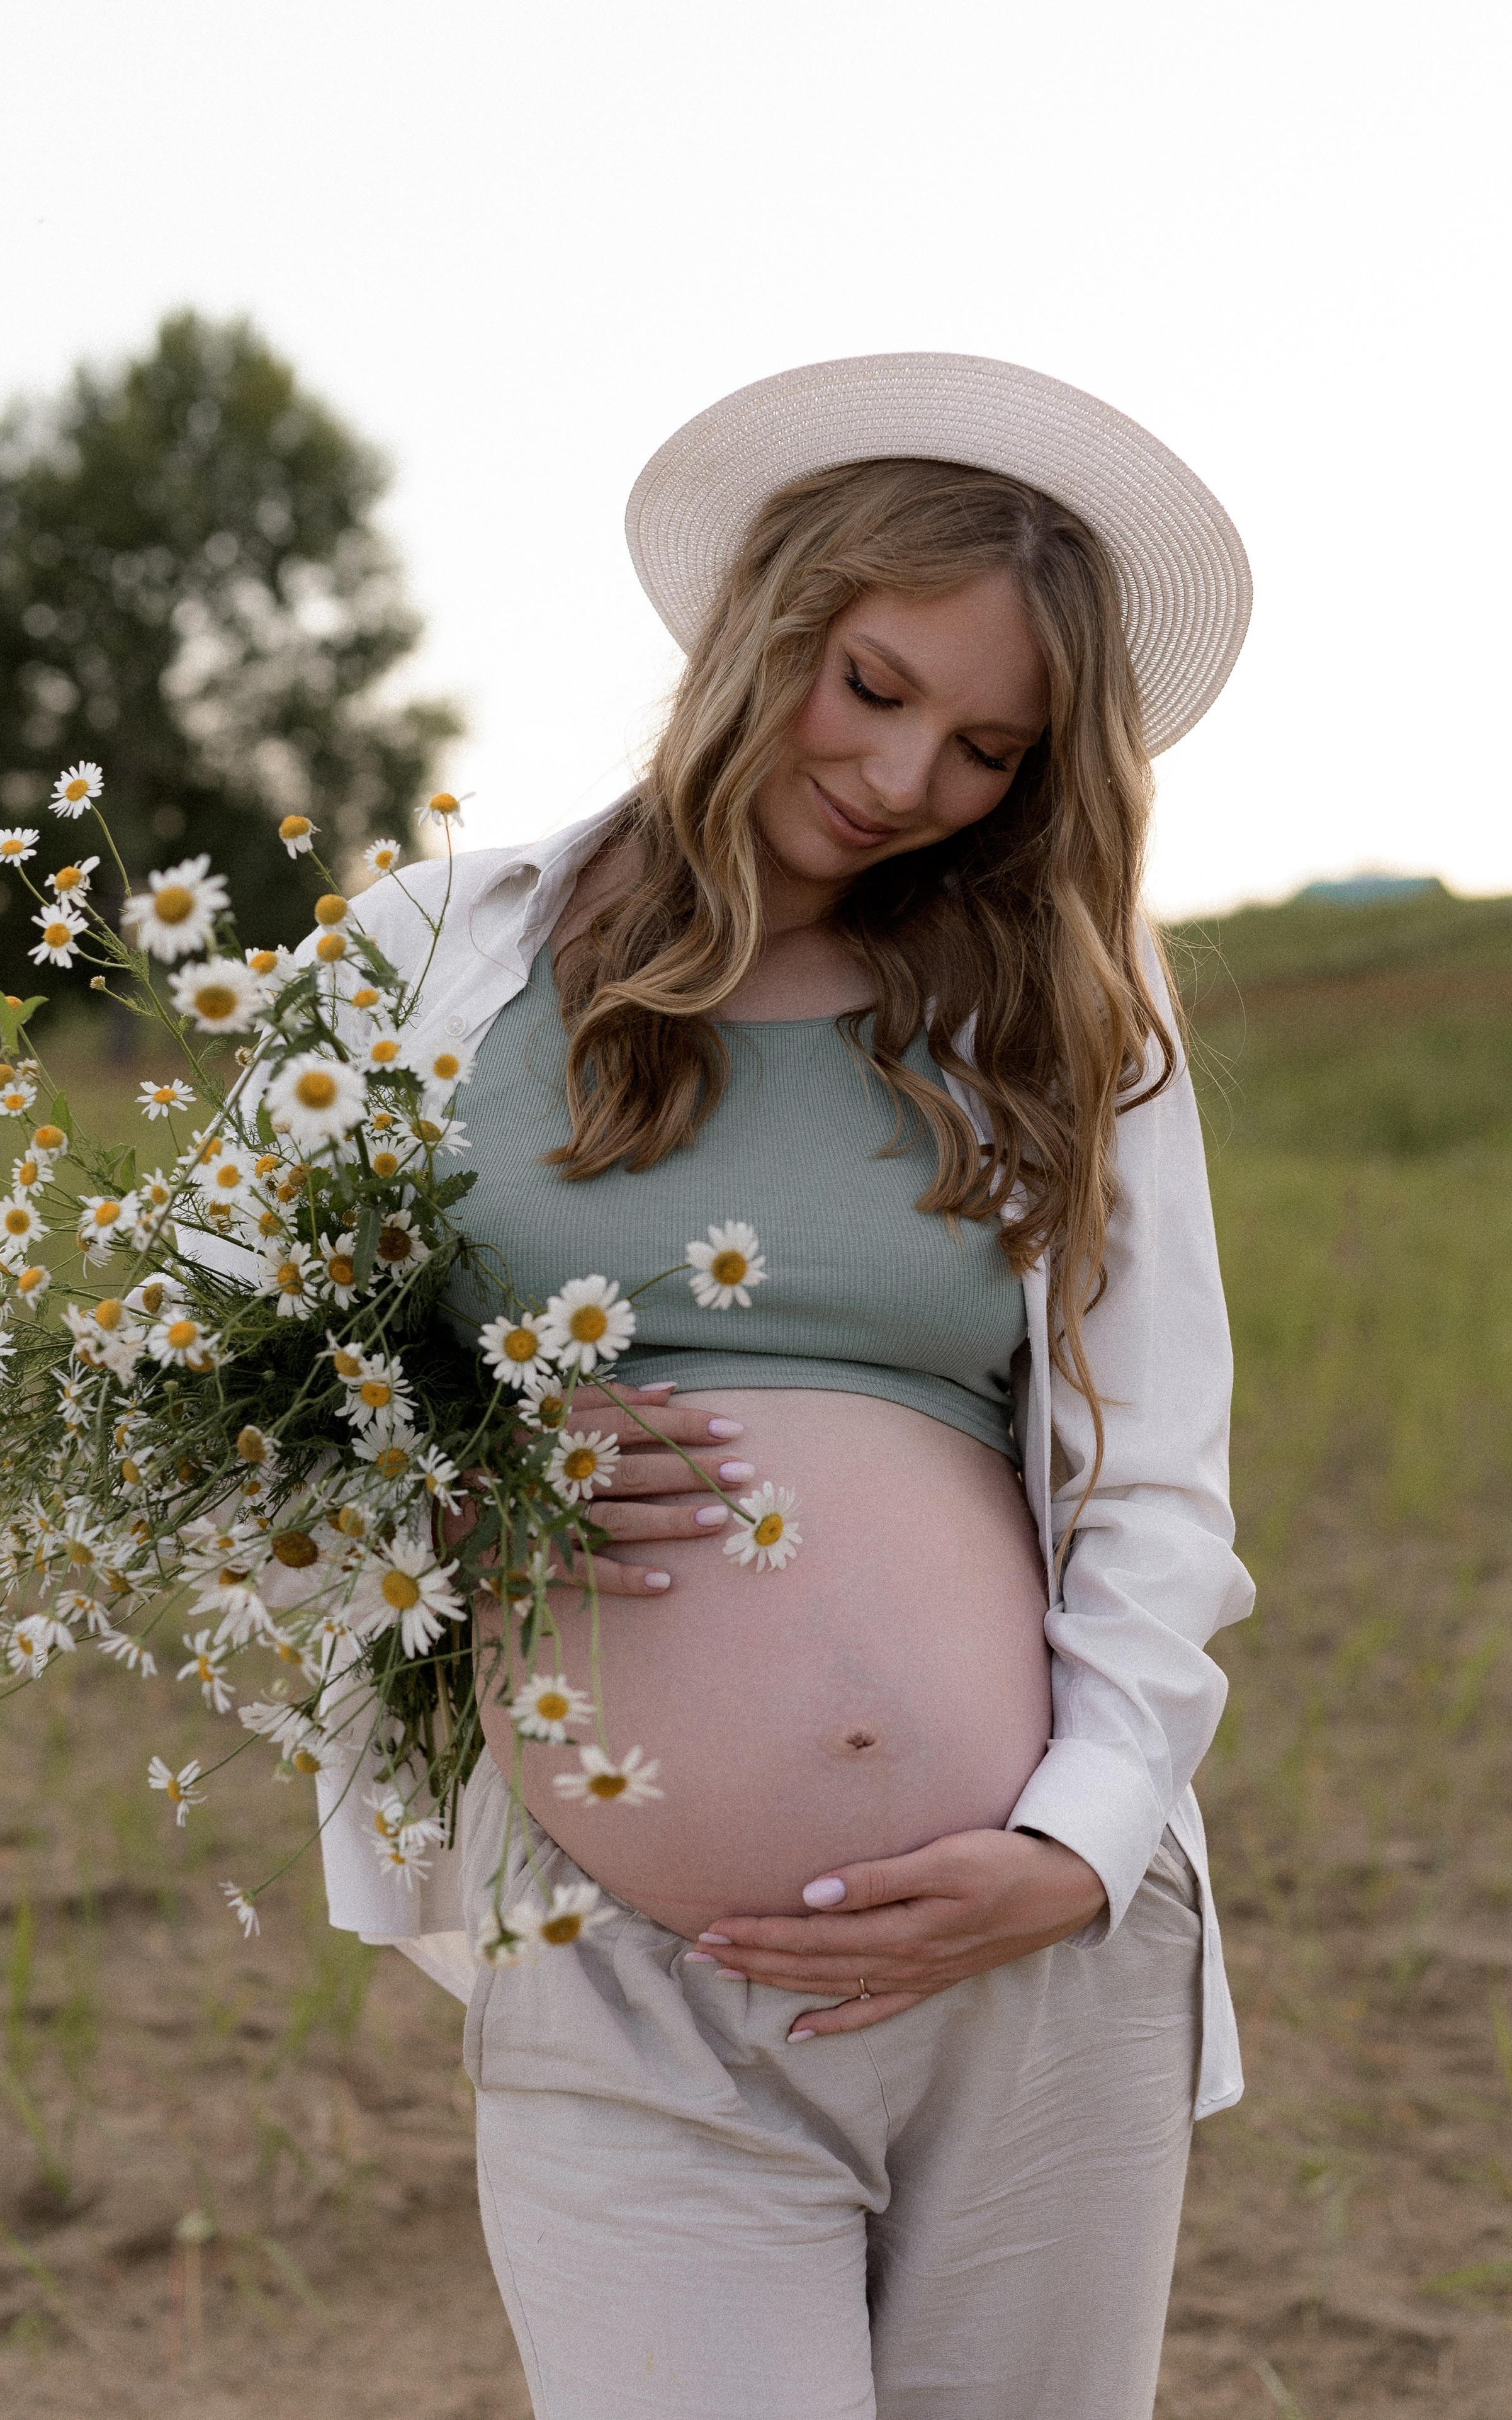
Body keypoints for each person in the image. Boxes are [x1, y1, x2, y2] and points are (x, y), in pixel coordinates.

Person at [312, 353, 1256, 2420]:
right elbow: (236, 1393)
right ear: (767, 626)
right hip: (626, 1959)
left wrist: (1083, 1842)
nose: (910, 775)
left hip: (1035, 1943)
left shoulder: (1069, 1012)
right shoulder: (431, 956)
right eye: (874, 684)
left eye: (990, 746)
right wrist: (460, 1484)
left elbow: (1159, 1482)